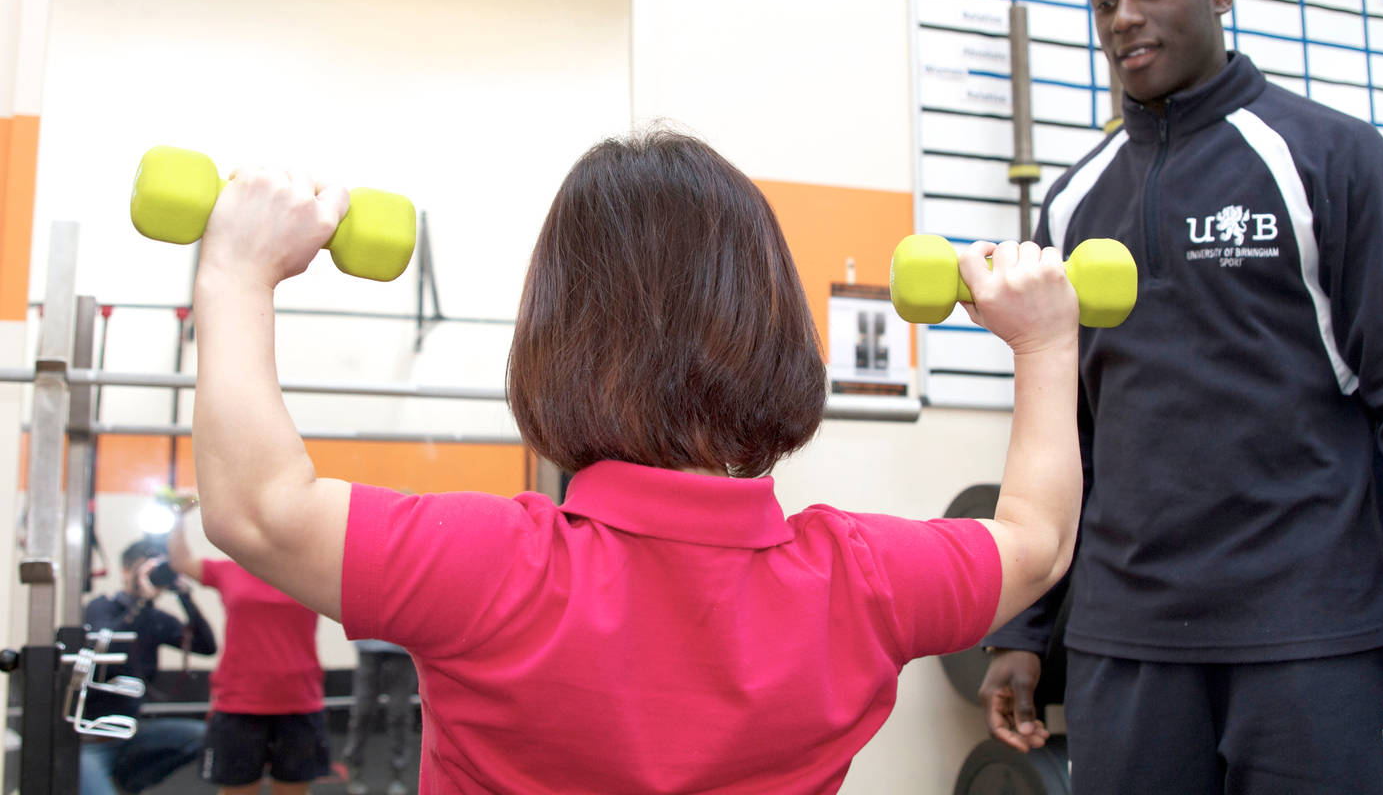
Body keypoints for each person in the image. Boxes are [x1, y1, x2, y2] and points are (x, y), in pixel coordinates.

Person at [182, 128, 1083, 793]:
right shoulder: (867, 582)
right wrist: (1046, 344)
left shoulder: (490, 566)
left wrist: (237, 270)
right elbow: (1036, 541)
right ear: (777, 329)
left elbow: (256, 507)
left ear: (556, 337)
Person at [977, 0, 1383, 794]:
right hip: (1126, 647)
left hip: (1314, 638)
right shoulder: (1073, 204)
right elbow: (1060, 437)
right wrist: (1022, 629)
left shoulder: (1333, 162)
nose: (1124, 18)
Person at [166, 496, 332, 794]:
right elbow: (179, 561)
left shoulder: (311, 570)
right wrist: (178, 515)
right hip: (239, 700)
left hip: (299, 698)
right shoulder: (230, 571)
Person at [80, 538, 217, 795]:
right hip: (90, 739)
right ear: (125, 570)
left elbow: (206, 646)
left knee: (205, 736)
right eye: (145, 567)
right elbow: (108, 649)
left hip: (132, 732)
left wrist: (185, 597)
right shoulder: (102, 607)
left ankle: (131, 782)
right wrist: (141, 601)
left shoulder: (155, 619)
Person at [340, 639, 416, 795]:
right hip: (368, 641)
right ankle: (355, 768)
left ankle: (398, 775)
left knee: (399, 714)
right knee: (363, 711)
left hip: (402, 643)